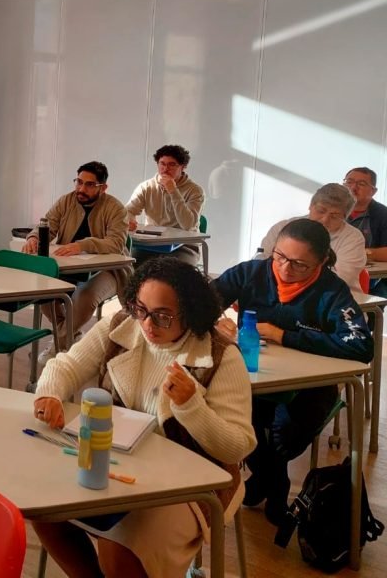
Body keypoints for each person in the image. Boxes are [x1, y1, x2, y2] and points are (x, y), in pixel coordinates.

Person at [31, 257, 255, 578]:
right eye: (141, 309)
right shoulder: (121, 326)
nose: (148, 324)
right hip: (123, 463)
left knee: (121, 549)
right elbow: (68, 364)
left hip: (190, 483)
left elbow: (236, 447)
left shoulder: (221, 354)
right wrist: (50, 394)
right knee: (45, 511)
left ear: (190, 312)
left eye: (163, 316)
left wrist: (191, 405)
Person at [214, 219, 371, 524]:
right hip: (255, 378)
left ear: (322, 262)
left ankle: (267, 480)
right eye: (280, 257)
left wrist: (284, 335)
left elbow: (361, 345)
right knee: (234, 416)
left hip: (309, 386)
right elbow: (201, 304)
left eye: (299, 264)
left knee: (284, 434)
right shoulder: (251, 272)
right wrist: (215, 324)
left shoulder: (331, 290)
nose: (286, 269)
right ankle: (274, 482)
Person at [23, 161, 132, 347]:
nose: (81, 189)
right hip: (68, 267)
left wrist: (82, 245)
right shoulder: (66, 201)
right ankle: (69, 336)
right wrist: (34, 238)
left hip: (108, 271)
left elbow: (116, 243)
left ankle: (59, 344)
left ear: (103, 188)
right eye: (79, 182)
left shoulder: (116, 208)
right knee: (41, 288)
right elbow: (48, 225)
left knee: (85, 297)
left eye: (89, 185)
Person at [257, 183, 365, 297]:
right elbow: (262, 261)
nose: (325, 219)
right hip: (277, 291)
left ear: (345, 218)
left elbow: (341, 277)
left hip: (332, 296)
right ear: (310, 206)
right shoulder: (283, 227)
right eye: (321, 211)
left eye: (334, 216)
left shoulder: (353, 238)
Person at [125, 144, 205, 265]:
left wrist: (173, 191)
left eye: (172, 164)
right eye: (162, 163)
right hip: (151, 243)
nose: (165, 169)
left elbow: (188, 225)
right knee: (128, 266)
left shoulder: (195, 191)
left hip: (184, 245)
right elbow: (128, 211)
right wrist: (129, 220)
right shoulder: (146, 187)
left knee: (173, 271)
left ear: (183, 167)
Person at [344, 166, 387, 261]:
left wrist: (361, 253)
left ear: (373, 191)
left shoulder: (383, 214)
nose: (353, 188)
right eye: (349, 182)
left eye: (361, 184)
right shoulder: (331, 210)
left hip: (369, 268)